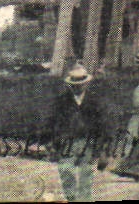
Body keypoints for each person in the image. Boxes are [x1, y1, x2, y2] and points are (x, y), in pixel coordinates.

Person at [46, 64, 108, 202]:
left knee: (86, 173)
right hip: (67, 142)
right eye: (74, 85)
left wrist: (102, 149)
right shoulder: (62, 100)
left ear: (86, 84)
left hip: (88, 142)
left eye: (80, 84)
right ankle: (71, 198)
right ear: (70, 85)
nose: (77, 87)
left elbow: (102, 124)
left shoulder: (94, 101)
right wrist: (51, 142)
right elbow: (53, 121)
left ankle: (84, 200)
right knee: (66, 170)